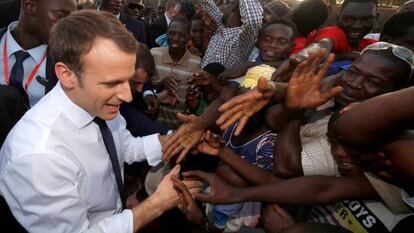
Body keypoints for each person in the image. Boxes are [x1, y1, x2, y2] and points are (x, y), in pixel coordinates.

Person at [0, 10, 202, 233]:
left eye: (127, 80)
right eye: (112, 83)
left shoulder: (99, 106)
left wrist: (174, 139)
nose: (127, 95)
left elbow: (124, 147)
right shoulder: (40, 157)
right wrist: (156, 204)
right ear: (67, 75)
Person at [0, 0, 76, 108]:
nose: (68, 27)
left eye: (71, 19)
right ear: (30, 6)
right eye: (60, 15)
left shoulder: (70, 62)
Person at [150, 16, 201, 129]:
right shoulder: (154, 54)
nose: (175, 38)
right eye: (172, 33)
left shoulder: (196, 63)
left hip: (178, 129)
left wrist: (193, 105)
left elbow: (192, 103)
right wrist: (162, 84)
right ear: (166, 34)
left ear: (188, 38)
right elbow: (144, 90)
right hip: (152, 126)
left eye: (181, 35)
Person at [199, 0, 263, 69]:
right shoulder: (221, 27)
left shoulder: (241, 39)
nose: (223, 4)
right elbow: (206, 3)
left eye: (228, 3)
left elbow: (252, 22)